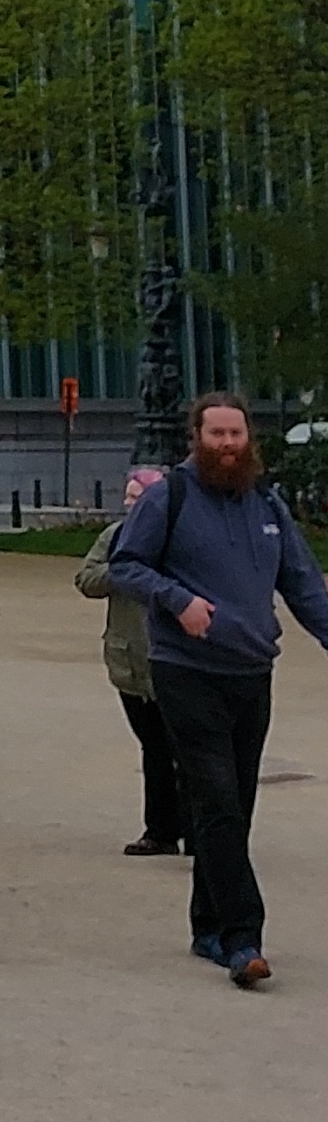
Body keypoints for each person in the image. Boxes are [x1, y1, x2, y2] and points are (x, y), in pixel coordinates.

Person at [106, 392, 328, 990]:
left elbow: (304, 585)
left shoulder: (267, 503)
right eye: (217, 435)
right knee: (218, 801)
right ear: (196, 438)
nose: (228, 445)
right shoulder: (168, 497)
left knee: (234, 808)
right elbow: (124, 565)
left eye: (236, 434)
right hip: (186, 671)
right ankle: (242, 939)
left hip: (252, 673)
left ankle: (207, 924)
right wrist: (178, 601)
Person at [75, 464, 183, 858]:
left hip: (177, 663)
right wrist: (122, 574)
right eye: (129, 496)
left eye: (139, 497)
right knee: (154, 748)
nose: (130, 503)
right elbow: (86, 580)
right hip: (130, 663)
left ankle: (200, 829)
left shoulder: (182, 538)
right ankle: (160, 830)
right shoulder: (115, 537)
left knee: (187, 750)